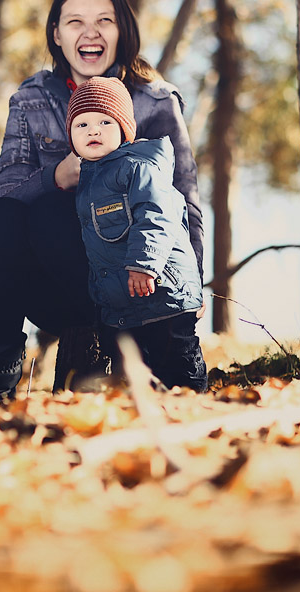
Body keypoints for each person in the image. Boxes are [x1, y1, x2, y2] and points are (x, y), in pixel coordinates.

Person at [0, 0, 204, 411]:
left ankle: (146, 367)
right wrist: (57, 177)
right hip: (61, 282)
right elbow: (4, 192)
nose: (90, 32)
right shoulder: (32, 99)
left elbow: (183, 200)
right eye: (75, 22)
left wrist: (193, 288)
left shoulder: (154, 100)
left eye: (104, 21)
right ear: (56, 34)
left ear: (122, 31)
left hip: (137, 285)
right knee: (0, 218)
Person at [65, 77, 207, 390]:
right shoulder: (87, 182)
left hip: (164, 292)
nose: (93, 130)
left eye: (105, 121)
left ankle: (194, 404)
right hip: (123, 306)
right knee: (134, 375)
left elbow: (158, 214)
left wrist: (144, 264)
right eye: (81, 125)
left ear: (125, 129)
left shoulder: (137, 168)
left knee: (178, 365)